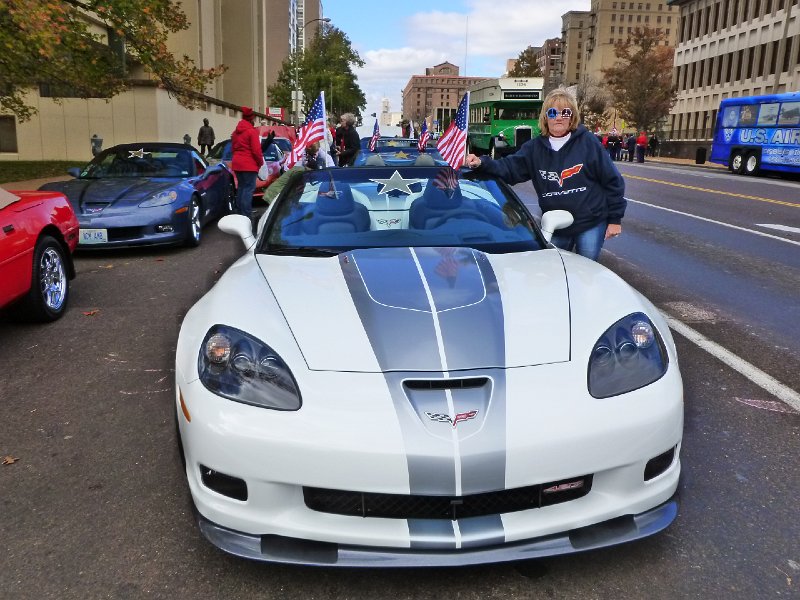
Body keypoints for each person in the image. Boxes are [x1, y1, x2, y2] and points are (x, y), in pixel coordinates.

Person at [463, 88, 625, 261]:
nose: (559, 117)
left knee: (586, 271)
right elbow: (509, 168)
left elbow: (613, 181)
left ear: (572, 116)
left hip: (590, 223)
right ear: (545, 117)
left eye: (566, 112)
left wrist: (615, 219)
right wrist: (481, 163)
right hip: (555, 226)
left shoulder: (588, 142)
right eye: (553, 112)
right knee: (552, 269)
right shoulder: (534, 149)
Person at [230, 106, 264, 220]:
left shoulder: (235, 133)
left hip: (237, 164)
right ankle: (246, 215)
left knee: (241, 188)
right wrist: (259, 163)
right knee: (249, 189)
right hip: (249, 164)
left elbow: (233, 149)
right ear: (251, 119)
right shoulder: (252, 132)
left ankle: (239, 212)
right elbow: (256, 151)